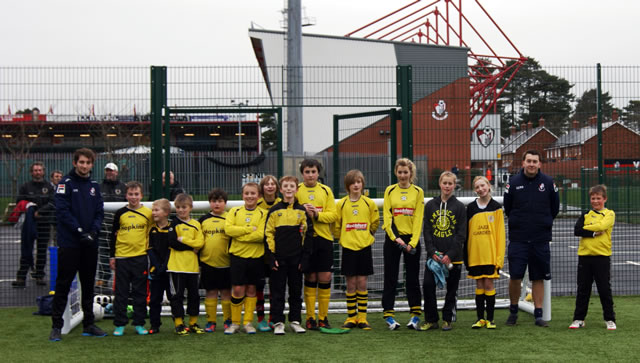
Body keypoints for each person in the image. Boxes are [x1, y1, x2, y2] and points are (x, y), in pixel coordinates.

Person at [49, 148, 107, 342]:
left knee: (89, 285)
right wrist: (80, 232)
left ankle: (88, 324)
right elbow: (63, 212)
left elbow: (100, 212)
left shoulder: (94, 185)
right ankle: (56, 326)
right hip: (70, 243)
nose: (84, 165)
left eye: (87, 162)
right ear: (75, 163)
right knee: (63, 284)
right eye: (81, 162)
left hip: (90, 243)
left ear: (92, 164)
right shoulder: (64, 183)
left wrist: (93, 232)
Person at [503, 150, 559, 327]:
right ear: (523, 163)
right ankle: (513, 311)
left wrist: (543, 222)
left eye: (535, 161)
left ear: (540, 164)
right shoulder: (513, 182)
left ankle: (538, 314)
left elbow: (555, 208)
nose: (532, 164)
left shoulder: (549, 182)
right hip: (518, 238)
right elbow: (508, 207)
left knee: (538, 277)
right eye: (529, 161)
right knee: (515, 276)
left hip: (540, 238)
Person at [265, 176, 313, 335]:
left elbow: (307, 234)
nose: (288, 189)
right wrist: (271, 257)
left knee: (295, 291)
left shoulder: (302, 210)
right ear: (281, 189)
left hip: (296, 259)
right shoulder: (274, 210)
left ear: (296, 189)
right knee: (277, 291)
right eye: (285, 186)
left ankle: (295, 321)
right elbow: (268, 234)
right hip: (279, 259)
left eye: (292, 186)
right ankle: (278, 322)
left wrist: (304, 258)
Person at [420, 171, 467, 331]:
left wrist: (450, 255)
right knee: (427, 285)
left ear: (454, 185)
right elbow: (426, 231)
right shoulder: (430, 205)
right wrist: (432, 251)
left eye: (450, 183)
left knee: (451, 290)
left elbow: (461, 234)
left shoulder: (460, 207)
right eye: (444, 183)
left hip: (453, 258)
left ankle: (448, 319)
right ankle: (431, 319)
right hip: (434, 257)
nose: (447, 186)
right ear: (440, 184)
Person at [381, 158, 425, 330]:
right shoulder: (389, 190)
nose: (402, 175)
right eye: (399, 172)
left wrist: (412, 243)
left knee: (412, 278)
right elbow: (387, 216)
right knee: (390, 277)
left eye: (405, 172)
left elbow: (418, 218)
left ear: (411, 173)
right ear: (396, 173)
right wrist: (396, 238)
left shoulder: (418, 191)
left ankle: (415, 315)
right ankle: (389, 315)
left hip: (411, 241)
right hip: (393, 240)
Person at [335, 170, 379, 330]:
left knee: (362, 282)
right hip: (348, 248)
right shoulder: (341, 204)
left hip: (364, 247)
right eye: (353, 182)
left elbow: (375, 223)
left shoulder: (369, 203)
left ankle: (362, 318)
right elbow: (337, 225)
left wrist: (367, 236)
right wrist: (342, 238)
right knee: (351, 283)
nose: (356, 185)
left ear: (362, 184)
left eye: (358, 182)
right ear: (348, 186)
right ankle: (351, 317)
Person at [109, 181, 152, 336]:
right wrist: (112, 256)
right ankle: (119, 324)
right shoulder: (120, 213)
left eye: (136, 194)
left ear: (141, 195)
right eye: (130, 194)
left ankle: (139, 323)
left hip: (140, 257)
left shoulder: (148, 213)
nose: (133, 197)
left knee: (140, 292)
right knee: (121, 292)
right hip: (122, 257)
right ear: (126, 195)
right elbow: (113, 236)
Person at [570, 184, 616, 330]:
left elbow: (602, 226)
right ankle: (579, 319)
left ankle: (610, 319)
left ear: (605, 199)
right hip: (585, 257)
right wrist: (592, 233)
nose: (596, 201)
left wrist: (587, 229)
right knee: (583, 289)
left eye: (598, 198)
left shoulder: (609, 214)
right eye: (593, 198)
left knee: (604, 289)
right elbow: (577, 230)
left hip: (602, 257)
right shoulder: (585, 215)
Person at [224, 183, 267, 335]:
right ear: (242, 195)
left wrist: (240, 235)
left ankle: (248, 323)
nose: (250, 196)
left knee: (251, 289)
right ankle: (235, 323)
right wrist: (249, 230)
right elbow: (229, 230)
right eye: (247, 193)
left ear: (259, 196)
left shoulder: (263, 214)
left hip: (256, 257)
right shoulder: (234, 211)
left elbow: (261, 235)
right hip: (237, 257)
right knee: (237, 289)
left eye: (253, 193)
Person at [464, 176, 505, 329]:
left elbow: (500, 235)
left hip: (490, 255)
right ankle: (480, 318)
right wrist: (466, 255)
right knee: (479, 283)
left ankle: (491, 319)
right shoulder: (471, 208)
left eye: (483, 185)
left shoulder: (496, 207)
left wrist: (499, 258)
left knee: (488, 283)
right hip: (475, 254)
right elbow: (467, 234)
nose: (480, 189)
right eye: (477, 187)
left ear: (488, 186)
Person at [168, 193, 205, 335]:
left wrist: (184, 240)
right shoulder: (173, 223)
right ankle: (178, 323)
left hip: (192, 268)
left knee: (194, 296)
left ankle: (193, 322)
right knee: (177, 296)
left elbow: (200, 243)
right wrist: (191, 247)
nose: (181, 210)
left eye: (184, 207)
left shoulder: (196, 224)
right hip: (176, 267)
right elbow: (172, 243)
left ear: (190, 208)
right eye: (178, 207)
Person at [13, 161, 54, 287]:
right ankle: (21, 277)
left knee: (42, 251)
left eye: (40, 170)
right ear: (31, 172)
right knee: (26, 249)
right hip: (29, 224)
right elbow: (19, 202)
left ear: (43, 171)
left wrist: (40, 212)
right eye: (35, 170)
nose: (38, 172)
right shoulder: (25, 186)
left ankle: (39, 276)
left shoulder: (49, 187)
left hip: (44, 223)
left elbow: (53, 203)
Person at [199, 188, 232, 333]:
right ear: (209, 203)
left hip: (226, 263)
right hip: (208, 262)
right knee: (211, 292)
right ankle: (211, 321)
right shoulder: (203, 220)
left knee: (226, 292)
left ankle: (227, 320)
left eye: (220, 201)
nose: (217, 204)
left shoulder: (230, 219)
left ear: (225, 203)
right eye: (214, 201)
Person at [255, 175, 282, 332]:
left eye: (273, 184)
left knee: (275, 286)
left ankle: (273, 318)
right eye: (267, 184)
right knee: (259, 286)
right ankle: (260, 318)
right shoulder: (257, 204)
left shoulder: (282, 204)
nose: (270, 186)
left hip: (276, 252)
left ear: (277, 187)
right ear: (262, 187)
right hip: (259, 251)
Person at [97, 162, 126, 289]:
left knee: (120, 252)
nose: (109, 173)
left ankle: (121, 278)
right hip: (104, 226)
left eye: (111, 171)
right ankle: (103, 278)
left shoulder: (123, 187)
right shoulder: (99, 187)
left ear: (116, 172)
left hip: (119, 227)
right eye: (107, 171)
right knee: (103, 252)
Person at [147, 198, 174, 335]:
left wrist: (165, 265)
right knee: (154, 299)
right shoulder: (152, 230)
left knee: (173, 297)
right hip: (156, 270)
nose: (153, 213)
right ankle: (154, 324)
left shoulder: (172, 228)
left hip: (170, 270)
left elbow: (171, 249)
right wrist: (157, 266)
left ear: (166, 212)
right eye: (152, 210)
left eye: (156, 210)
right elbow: (150, 249)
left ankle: (178, 322)